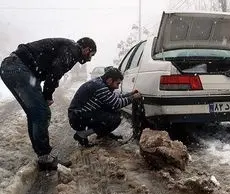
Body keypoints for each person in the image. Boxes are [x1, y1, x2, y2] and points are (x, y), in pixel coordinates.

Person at [0, 37, 97, 170]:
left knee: (35, 113)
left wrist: (48, 89)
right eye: (91, 55)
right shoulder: (74, 50)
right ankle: (44, 157)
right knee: (41, 112)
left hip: (12, 67)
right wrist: (47, 95)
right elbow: (55, 71)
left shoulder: (67, 48)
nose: (89, 59)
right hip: (18, 68)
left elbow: (53, 71)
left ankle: (42, 155)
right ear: (86, 49)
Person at [68, 66, 141, 147]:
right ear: (110, 80)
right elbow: (117, 103)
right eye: (117, 83)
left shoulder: (100, 83)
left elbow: (114, 98)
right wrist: (133, 98)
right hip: (78, 117)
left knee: (112, 112)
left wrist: (130, 94)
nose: (117, 87)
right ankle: (82, 134)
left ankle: (103, 133)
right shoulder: (100, 87)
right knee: (114, 118)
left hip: (79, 115)